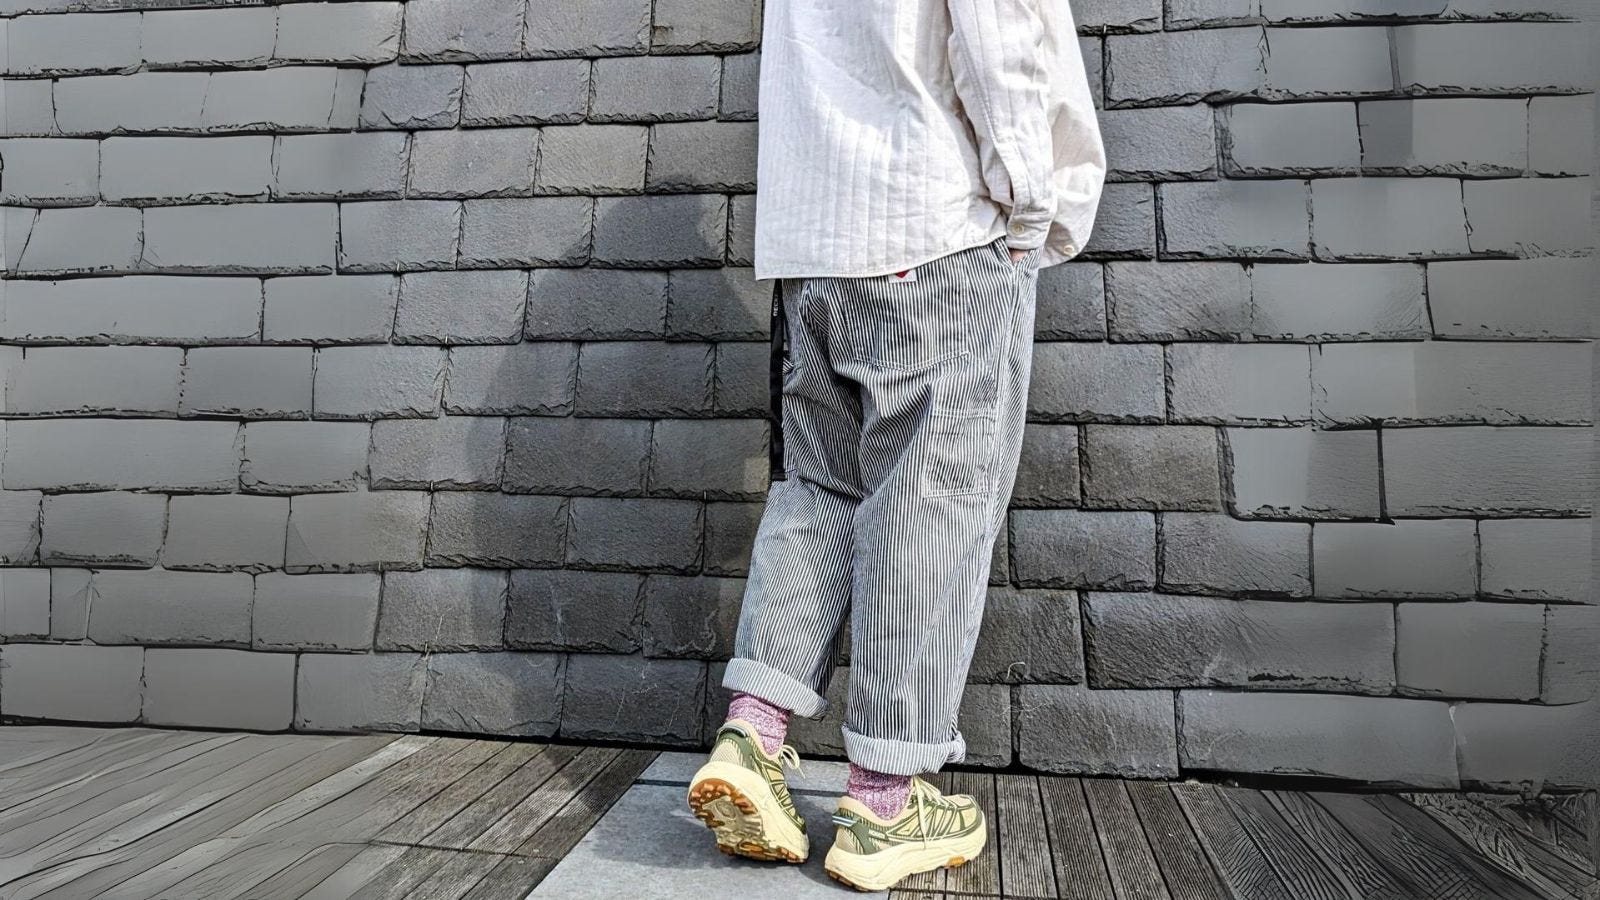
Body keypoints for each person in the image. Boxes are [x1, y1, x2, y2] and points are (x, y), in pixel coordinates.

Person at [687, 0, 1106, 890]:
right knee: (933, 502)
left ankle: (752, 738)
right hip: (937, 224)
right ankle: (883, 802)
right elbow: (1000, 36)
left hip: (815, 250)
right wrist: (1031, 212)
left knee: (818, 490)